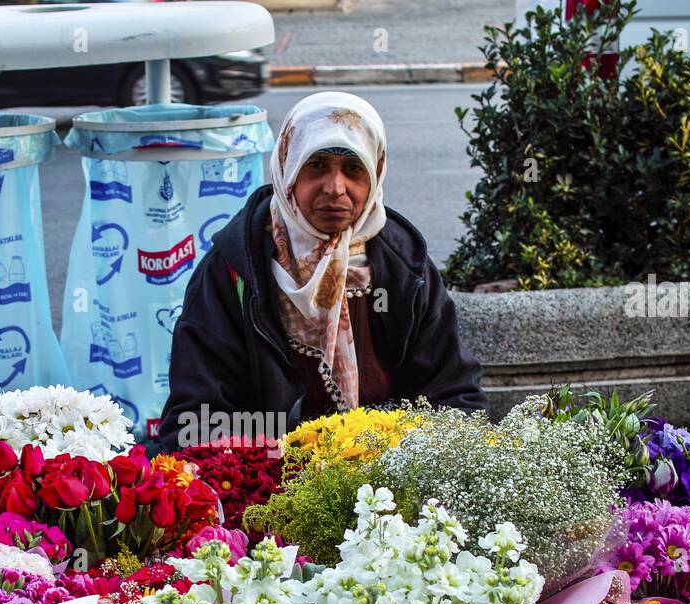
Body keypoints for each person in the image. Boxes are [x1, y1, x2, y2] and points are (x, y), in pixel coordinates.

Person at [157, 91, 486, 451]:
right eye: (316, 165)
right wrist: (277, 466)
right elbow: (195, 420)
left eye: (353, 169)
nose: (335, 188)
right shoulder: (233, 271)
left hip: (389, 484)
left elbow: (456, 397)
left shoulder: (405, 267)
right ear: (288, 168)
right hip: (271, 488)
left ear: (375, 175)